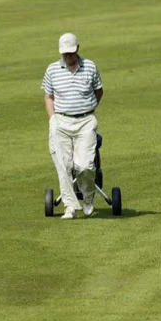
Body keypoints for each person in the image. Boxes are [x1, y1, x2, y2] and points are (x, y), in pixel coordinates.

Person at [42, 33, 103, 220]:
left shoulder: (90, 66)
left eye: (71, 52)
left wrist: (87, 109)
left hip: (85, 121)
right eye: (65, 53)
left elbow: (99, 91)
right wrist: (52, 119)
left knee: (85, 165)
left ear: (77, 49)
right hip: (61, 122)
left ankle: (88, 198)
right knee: (64, 165)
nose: (68, 56)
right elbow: (49, 96)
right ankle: (69, 206)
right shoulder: (52, 70)